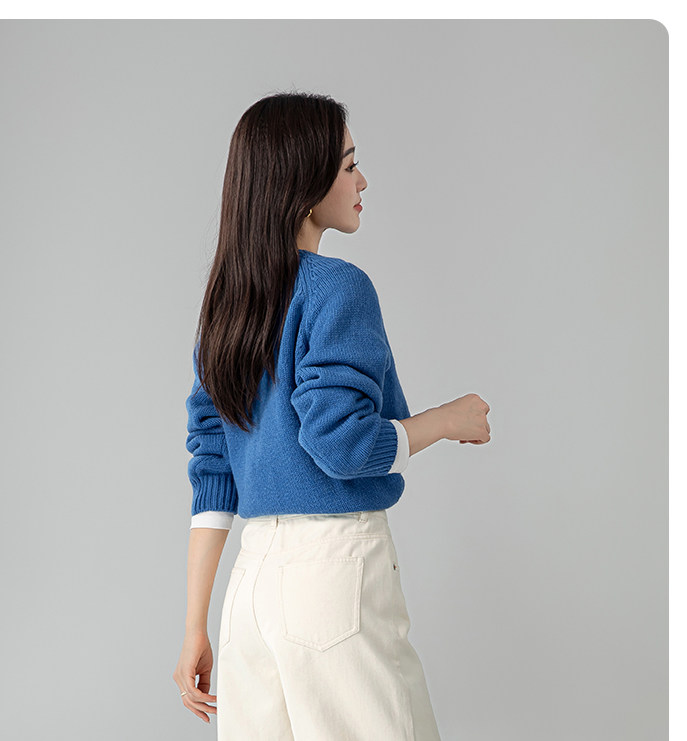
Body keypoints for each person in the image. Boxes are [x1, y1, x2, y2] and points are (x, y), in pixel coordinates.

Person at [172, 91, 491, 740]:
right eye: (348, 165)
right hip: (332, 573)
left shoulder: (226, 309)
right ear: (303, 181)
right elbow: (343, 447)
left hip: (249, 591)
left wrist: (194, 627)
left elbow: (213, 471)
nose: (362, 180)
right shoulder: (336, 287)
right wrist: (446, 419)